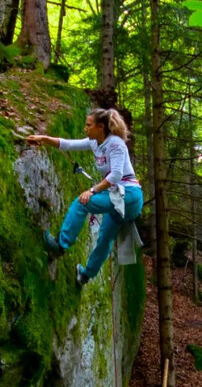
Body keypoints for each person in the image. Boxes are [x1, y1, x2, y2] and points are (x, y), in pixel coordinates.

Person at [25, 108, 144, 286]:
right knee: (105, 239)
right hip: (117, 197)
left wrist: (93, 191)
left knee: (82, 202)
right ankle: (85, 275)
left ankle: (60, 245)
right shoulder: (94, 142)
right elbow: (68, 145)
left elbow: (116, 175)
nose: (85, 128)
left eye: (89, 125)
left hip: (130, 196)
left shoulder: (116, 144)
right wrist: (44, 139)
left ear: (100, 126)